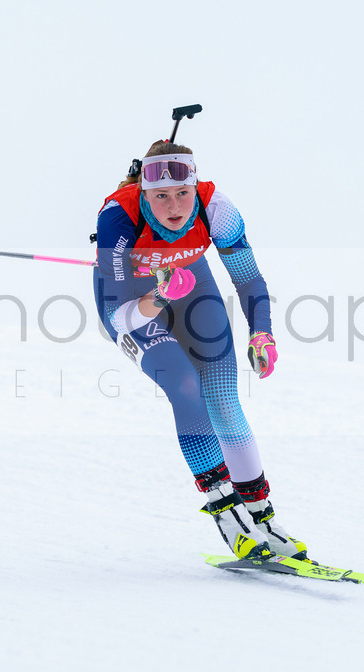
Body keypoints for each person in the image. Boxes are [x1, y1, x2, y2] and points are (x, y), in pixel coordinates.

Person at [92, 140, 307, 561]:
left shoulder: (218, 209)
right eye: (160, 196)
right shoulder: (118, 217)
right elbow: (119, 316)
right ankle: (228, 514)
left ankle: (263, 517)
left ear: (195, 185)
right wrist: (158, 296)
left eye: (182, 193)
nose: (173, 206)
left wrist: (262, 334)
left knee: (224, 398)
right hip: (135, 303)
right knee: (185, 385)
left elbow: (248, 279)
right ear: (144, 194)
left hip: (191, 281)